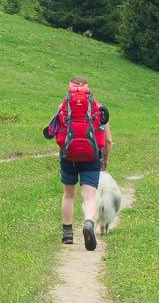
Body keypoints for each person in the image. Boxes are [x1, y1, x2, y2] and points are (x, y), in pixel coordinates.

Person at [42, 79, 110, 250]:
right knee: (89, 196)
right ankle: (88, 222)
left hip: (68, 156)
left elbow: (51, 132)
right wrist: (105, 159)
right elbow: (108, 140)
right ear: (87, 89)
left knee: (69, 195)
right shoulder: (98, 108)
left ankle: (67, 234)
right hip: (91, 157)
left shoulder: (62, 107)